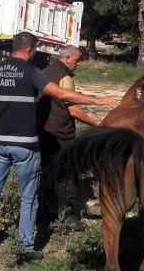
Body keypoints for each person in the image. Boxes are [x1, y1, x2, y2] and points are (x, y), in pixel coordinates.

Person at [0, 32, 117, 262]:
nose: (35, 53)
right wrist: (97, 100)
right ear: (29, 50)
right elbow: (60, 93)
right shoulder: (32, 73)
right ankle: (26, 247)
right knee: (29, 197)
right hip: (25, 147)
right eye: (35, 49)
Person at [37, 45, 103, 231]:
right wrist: (97, 124)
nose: (78, 64)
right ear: (67, 58)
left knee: (45, 173)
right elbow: (72, 109)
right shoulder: (65, 77)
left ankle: (43, 214)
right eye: (77, 60)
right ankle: (68, 217)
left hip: (43, 132)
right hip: (61, 134)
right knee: (67, 175)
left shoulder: (45, 72)